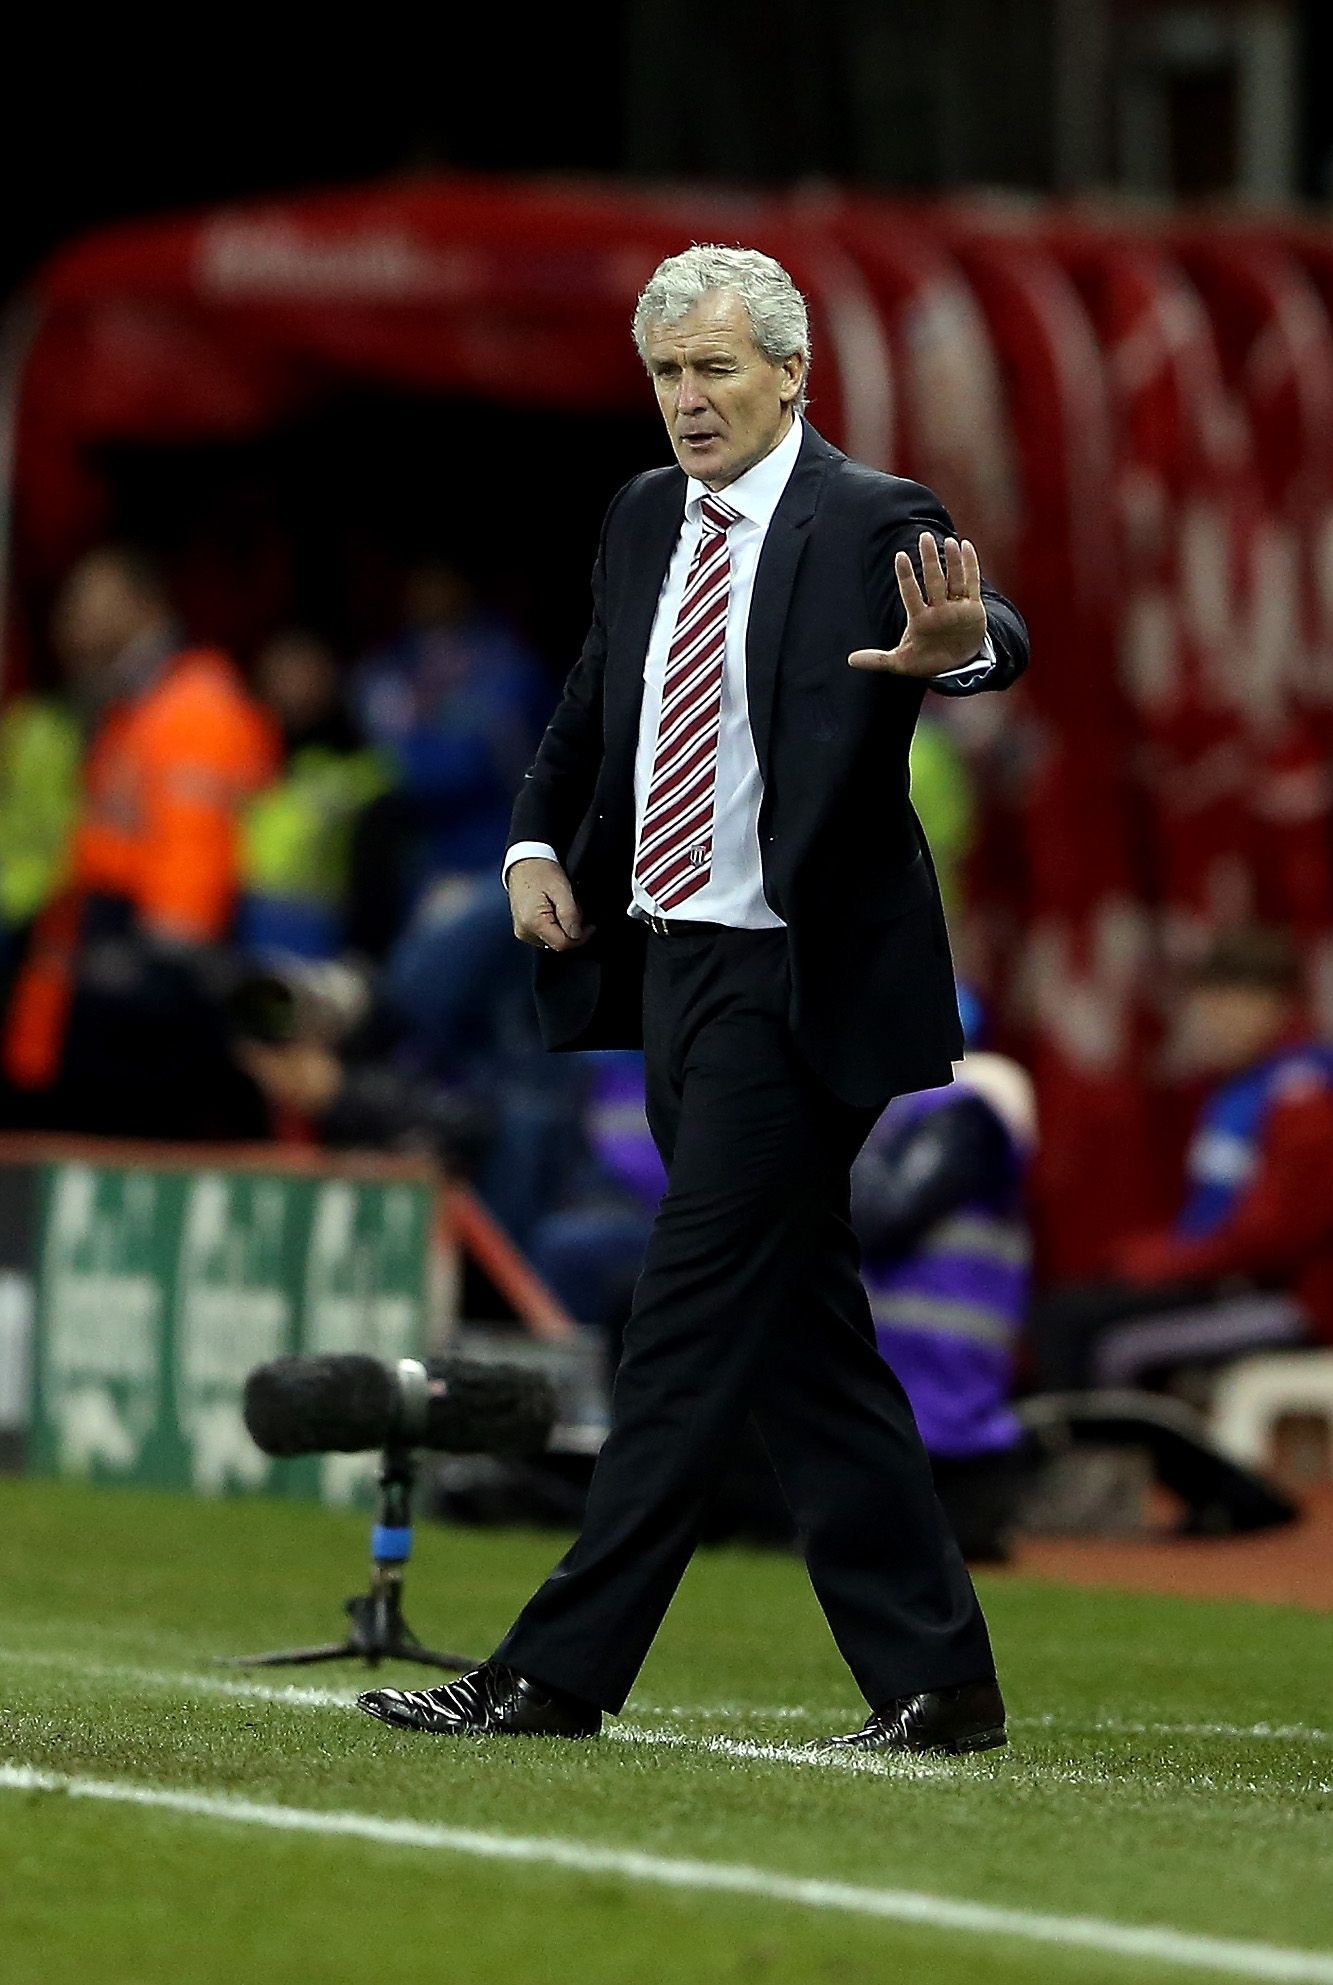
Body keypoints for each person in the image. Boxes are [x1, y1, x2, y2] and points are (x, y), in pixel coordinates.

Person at [360, 242, 1031, 1754]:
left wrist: (963, 655)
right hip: (673, 965)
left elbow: (991, 626)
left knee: (680, 1322)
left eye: (716, 367)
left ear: (792, 373)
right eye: (667, 372)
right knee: (802, 1343)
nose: (688, 398)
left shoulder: (872, 514)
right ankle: (940, 1679)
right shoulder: (642, 514)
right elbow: (597, 695)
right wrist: (534, 841)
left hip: (803, 980)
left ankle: (553, 1673)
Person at [1028, 927, 1333, 1394]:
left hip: (1296, 1303)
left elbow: (1275, 1239)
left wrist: (1163, 1263)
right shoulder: (1241, 1088)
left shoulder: (1305, 1097)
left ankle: (1099, 1440)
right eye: (1208, 1007)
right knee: (1070, 1306)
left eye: (1229, 1006)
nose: (1214, 1022)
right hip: (1233, 1284)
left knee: (1091, 1335)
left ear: (1274, 1005)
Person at [1, 546, 278, 1135]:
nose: (71, 618)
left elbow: (188, 888)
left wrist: (153, 978)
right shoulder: (132, 705)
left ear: (142, 604)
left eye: (89, 600)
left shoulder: (193, 706)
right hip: (96, 975)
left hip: (152, 1000)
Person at [855, 1039, 1042, 1559]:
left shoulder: (967, 1104)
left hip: (940, 1427)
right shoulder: (905, 1106)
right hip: (893, 1413)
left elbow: (879, 1216)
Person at [352, 558, 556, 904]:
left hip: (498, 848)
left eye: (440, 582)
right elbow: (388, 764)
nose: (431, 595)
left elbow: (479, 763)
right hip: (423, 860)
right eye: (422, 584)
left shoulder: (505, 660)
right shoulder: (387, 669)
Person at [237, 630, 394, 961]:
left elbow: (377, 883)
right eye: (280, 676)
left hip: (324, 943)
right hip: (244, 936)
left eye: (305, 675)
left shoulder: (364, 770)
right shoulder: (246, 760)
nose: (294, 689)